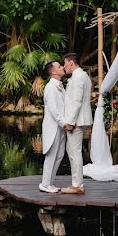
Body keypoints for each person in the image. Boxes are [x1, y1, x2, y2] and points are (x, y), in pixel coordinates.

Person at [61, 52, 93, 195]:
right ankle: (76, 183)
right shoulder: (83, 76)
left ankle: (77, 185)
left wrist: (70, 122)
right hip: (80, 119)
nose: (64, 67)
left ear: (71, 63)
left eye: (65, 64)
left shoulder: (79, 77)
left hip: (77, 121)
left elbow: (77, 101)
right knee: (73, 151)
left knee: (74, 152)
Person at [40, 60, 68, 193]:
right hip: (54, 125)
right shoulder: (50, 87)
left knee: (60, 155)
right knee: (51, 155)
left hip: (61, 126)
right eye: (59, 66)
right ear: (53, 72)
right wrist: (64, 123)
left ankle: (50, 183)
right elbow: (53, 109)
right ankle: (45, 184)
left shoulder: (60, 86)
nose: (62, 67)